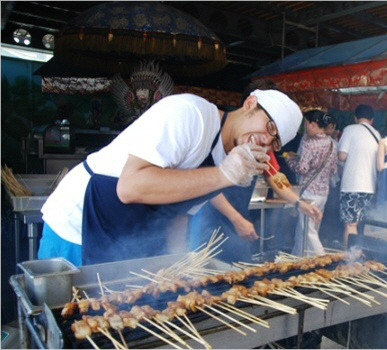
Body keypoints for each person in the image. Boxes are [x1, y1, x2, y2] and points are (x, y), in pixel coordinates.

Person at [38, 89, 303, 266]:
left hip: (126, 235)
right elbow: (129, 187)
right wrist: (222, 175)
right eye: (269, 127)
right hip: (79, 223)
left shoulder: (226, 160)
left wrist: (177, 264)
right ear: (249, 104)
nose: (265, 140)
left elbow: (181, 213)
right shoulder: (190, 114)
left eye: (275, 141)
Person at [188, 81, 322, 263]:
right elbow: (204, 185)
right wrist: (236, 218)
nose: (267, 141)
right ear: (250, 104)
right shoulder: (217, 137)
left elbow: (275, 177)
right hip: (207, 222)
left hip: (237, 223)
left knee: (240, 276)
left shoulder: (260, 146)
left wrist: (299, 203)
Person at [285, 110, 338, 256]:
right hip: (323, 193)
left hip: (309, 192)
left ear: (313, 124)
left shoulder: (310, 143)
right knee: (308, 227)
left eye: (306, 123)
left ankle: (322, 259)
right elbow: (333, 168)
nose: (305, 127)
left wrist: (290, 160)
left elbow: (302, 168)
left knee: (308, 230)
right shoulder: (332, 144)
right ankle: (299, 257)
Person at [338, 104, 380, 247]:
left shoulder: (350, 129)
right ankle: (363, 256)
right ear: (372, 120)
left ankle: (350, 259)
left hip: (352, 185)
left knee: (350, 225)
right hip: (370, 186)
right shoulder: (377, 134)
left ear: (355, 118)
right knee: (364, 224)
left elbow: (342, 156)